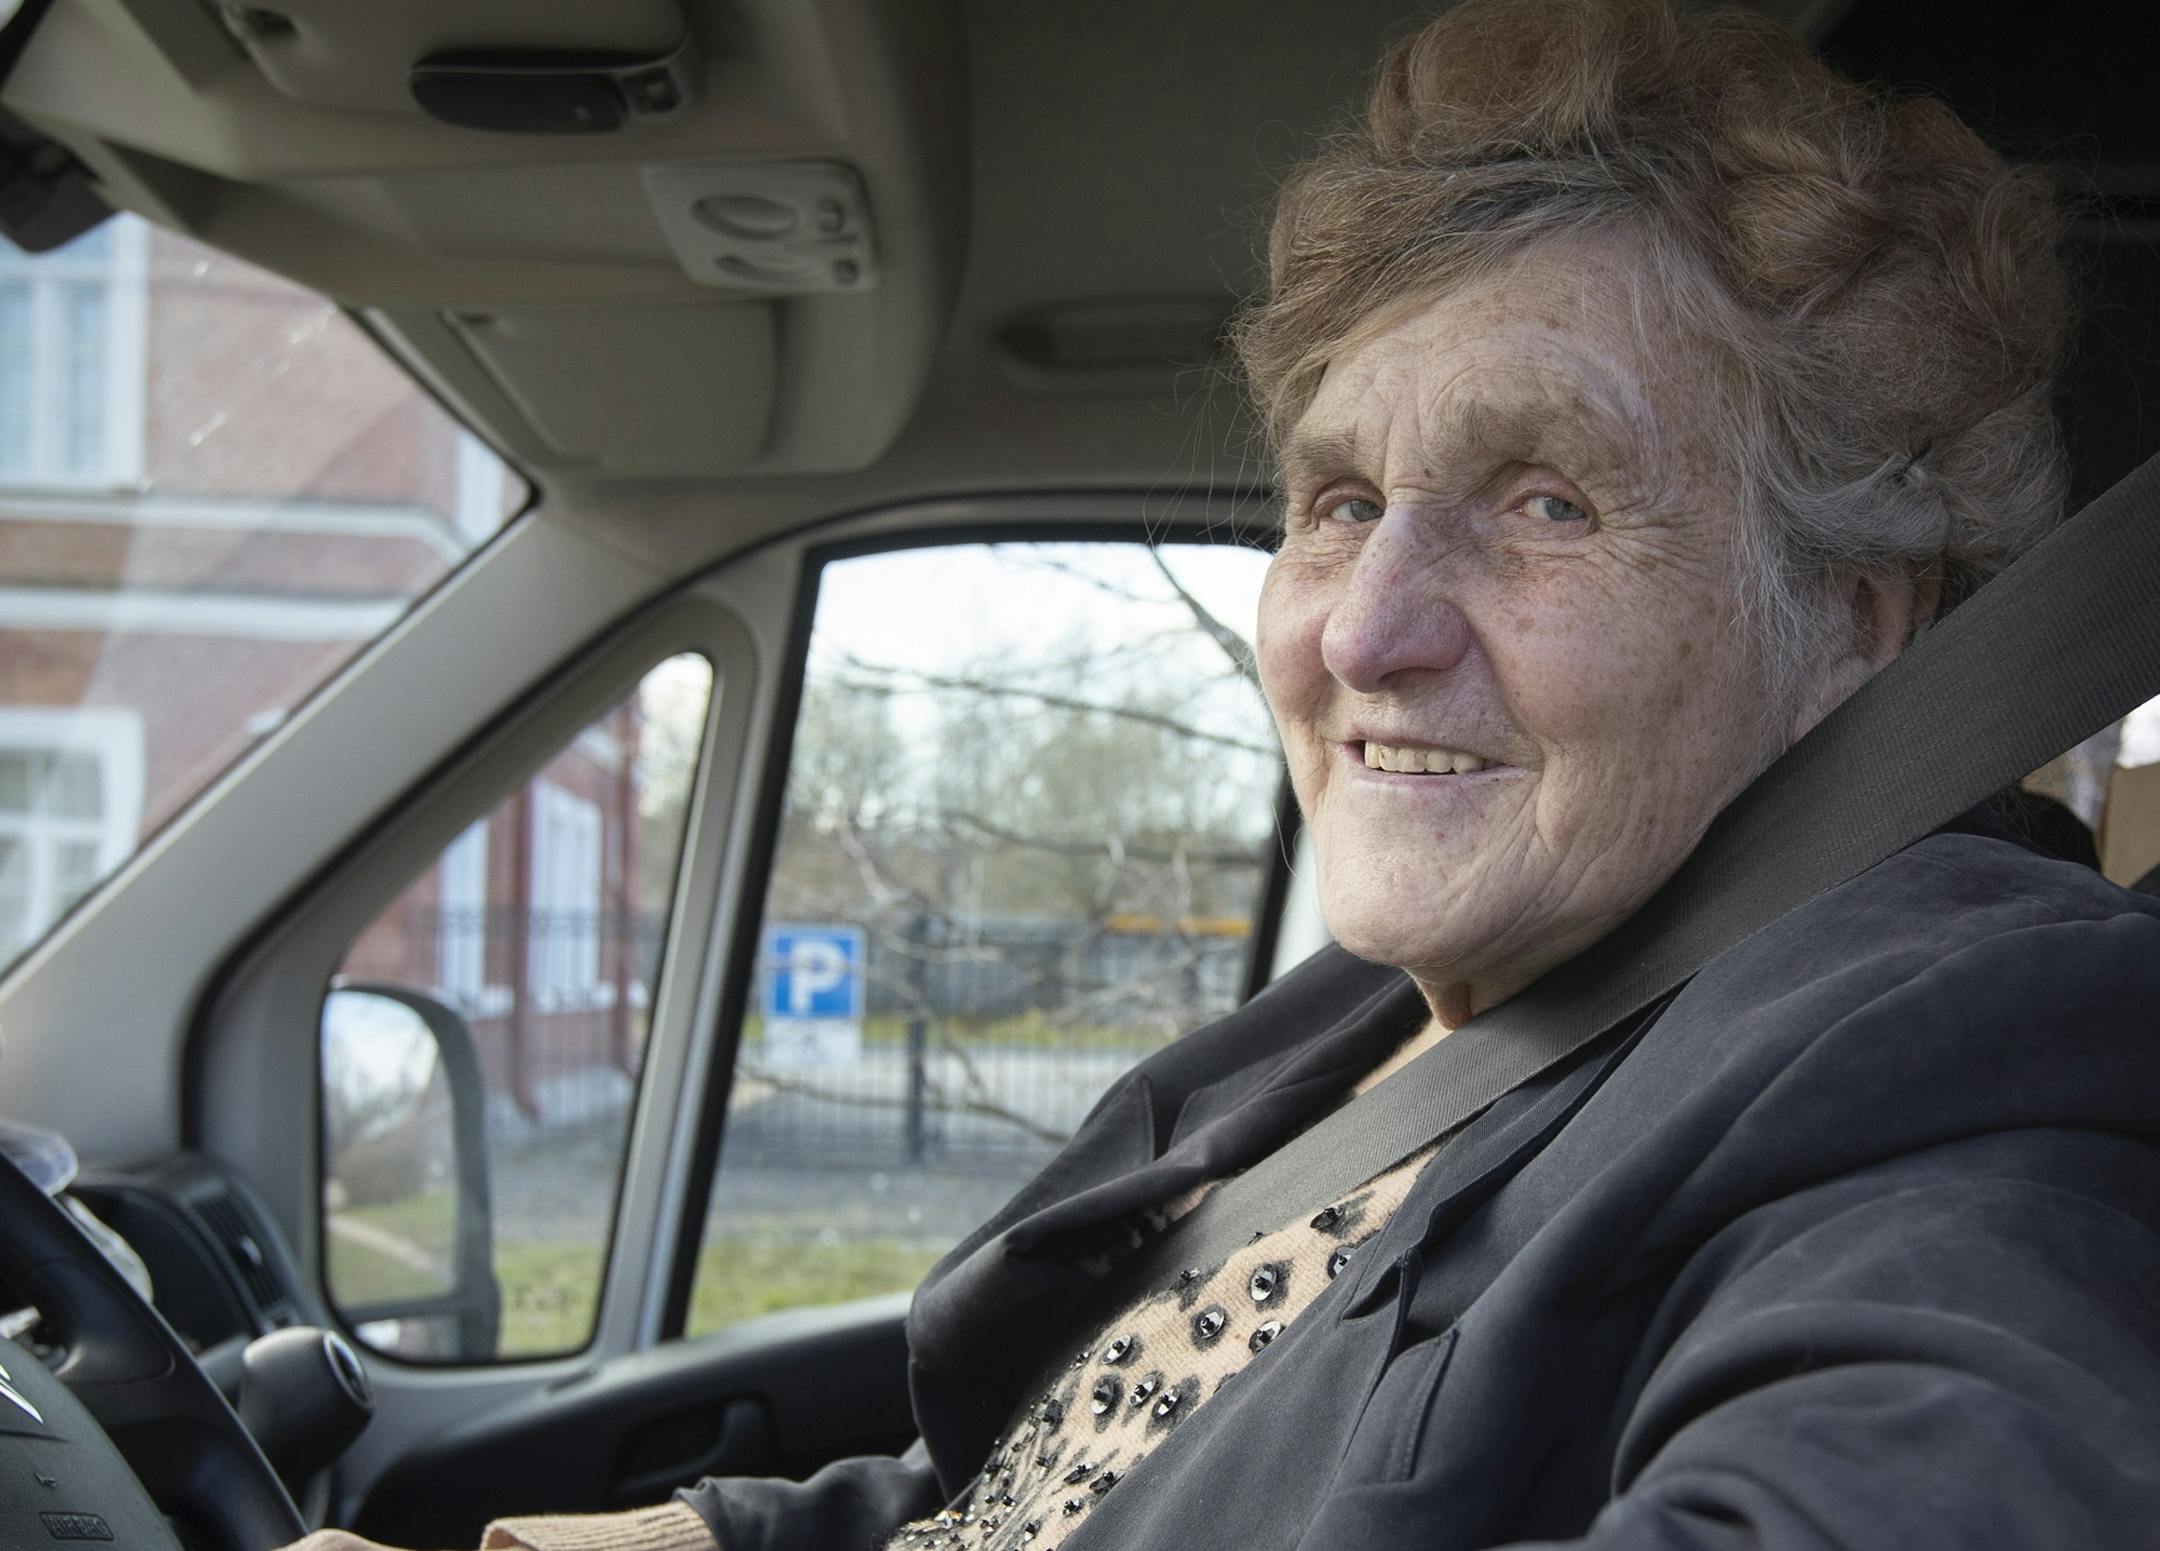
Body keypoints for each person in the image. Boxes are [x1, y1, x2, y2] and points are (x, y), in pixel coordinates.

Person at [295, 1, 2160, 1547]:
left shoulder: (1957, 1076)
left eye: (1548, 502)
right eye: (1340, 502)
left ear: (1853, 625)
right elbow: (1071, 1485)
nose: (1364, 631)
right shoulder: (1407, 1016)